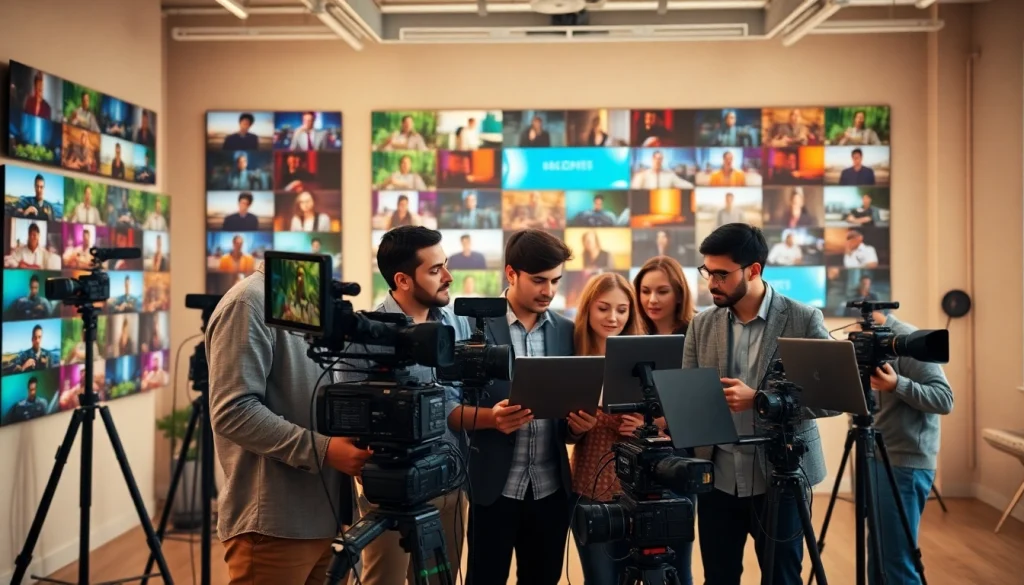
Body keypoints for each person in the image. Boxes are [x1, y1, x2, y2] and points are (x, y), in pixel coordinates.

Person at [682, 223, 837, 585]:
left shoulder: (803, 318)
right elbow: (689, 396)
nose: (711, 282)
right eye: (708, 272)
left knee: (782, 577)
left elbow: (832, 398)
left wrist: (762, 400)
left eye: (722, 274)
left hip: (780, 479)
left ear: (754, 270)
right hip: (717, 478)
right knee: (719, 577)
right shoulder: (701, 325)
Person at [206, 259, 370, 585]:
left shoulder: (304, 303)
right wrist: (323, 450)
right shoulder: (247, 302)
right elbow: (233, 411)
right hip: (275, 525)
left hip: (331, 516)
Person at [448, 229, 591, 585]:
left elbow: (566, 420)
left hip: (551, 490)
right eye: (539, 280)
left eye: (556, 280)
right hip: (491, 489)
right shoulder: (470, 325)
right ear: (511, 274)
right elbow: (447, 406)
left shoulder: (566, 331)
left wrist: (577, 426)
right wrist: (491, 420)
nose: (549, 291)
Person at [342, 226, 472, 585]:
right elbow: (350, 418)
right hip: (390, 490)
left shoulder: (457, 325)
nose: (448, 277)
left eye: (444, 266)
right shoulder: (366, 332)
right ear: (402, 279)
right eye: (435, 270)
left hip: (450, 481)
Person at [567, 273, 649, 585]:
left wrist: (645, 426)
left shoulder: (644, 359)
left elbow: (667, 422)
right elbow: (563, 430)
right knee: (600, 580)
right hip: (588, 487)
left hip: (637, 490)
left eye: (622, 309)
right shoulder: (573, 356)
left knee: (636, 575)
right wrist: (576, 429)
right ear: (588, 308)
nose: (613, 317)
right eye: (603, 308)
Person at [865, 310, 953, 585]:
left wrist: (897, 385)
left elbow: (944, 399)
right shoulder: (869, 343)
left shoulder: (905, 340)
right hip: (877, 455)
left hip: (905, 463)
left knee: (897, 559)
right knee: (878, 553)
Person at [633, 256, 694, 336]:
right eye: (645, 291)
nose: (652, 300)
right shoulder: (632, 333)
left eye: (662, 292)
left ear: (679, 295)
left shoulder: (695, 333)